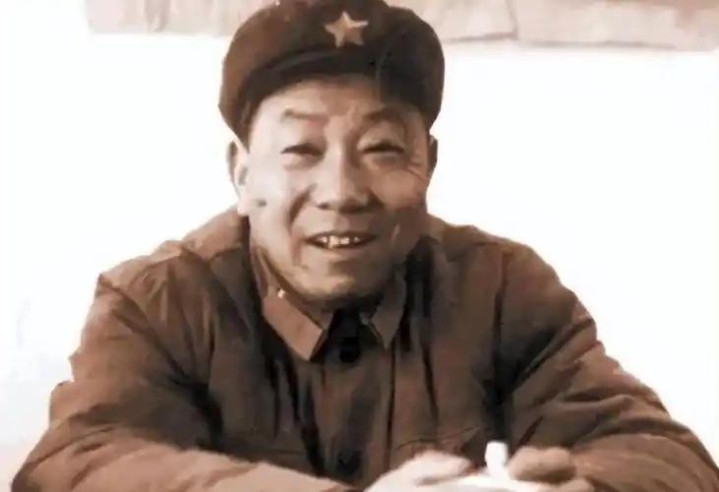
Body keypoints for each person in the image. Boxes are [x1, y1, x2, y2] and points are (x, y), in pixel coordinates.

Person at [13, 0, 719, 490]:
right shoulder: (158, 301)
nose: (342, 191)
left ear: (428, 165)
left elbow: (667, 457)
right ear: (241, 173)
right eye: (300, 149)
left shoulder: (502, 289)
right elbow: (75, 465)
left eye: (381, 148)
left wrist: (577, 489)